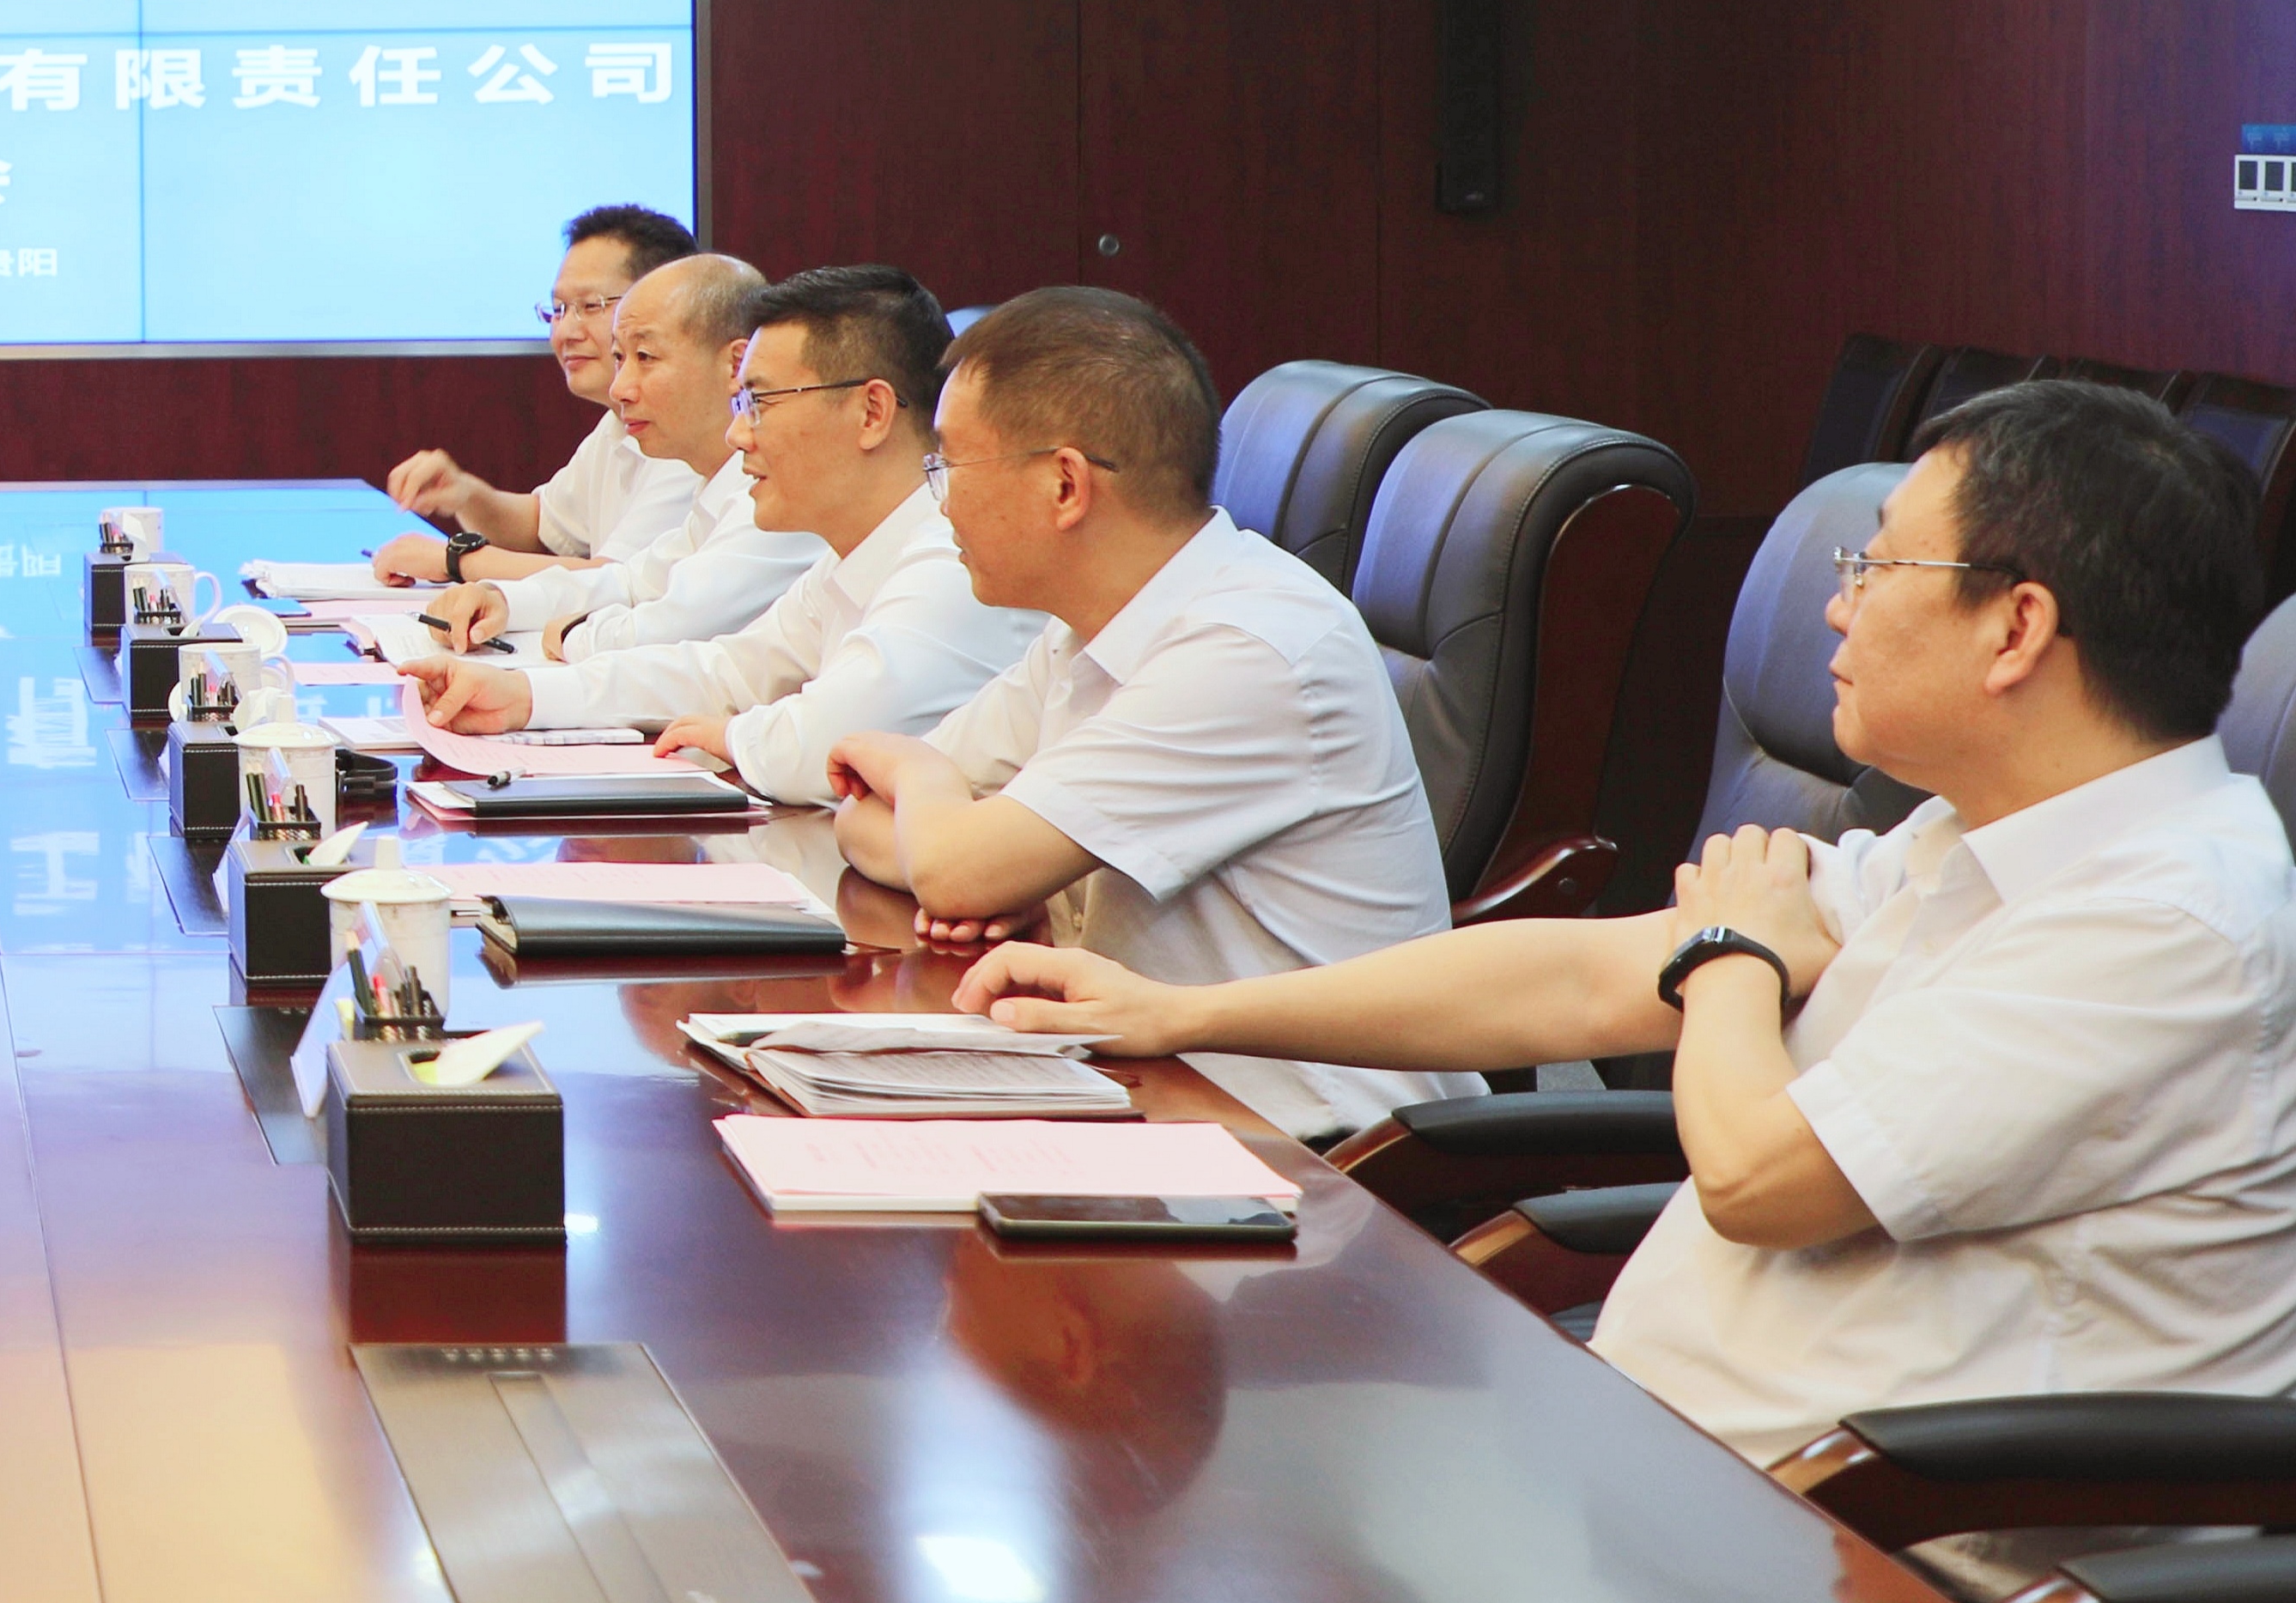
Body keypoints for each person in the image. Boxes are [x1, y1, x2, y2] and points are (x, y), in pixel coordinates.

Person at [963, 380, 2296, 1463]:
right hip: (1662, 1456)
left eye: (1879, 563)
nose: (1839, 601)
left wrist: (1732, 954)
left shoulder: (2165, 916)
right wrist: (1184, 1012)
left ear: (2015, 628)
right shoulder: (1974, 831)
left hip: (1887, 1571)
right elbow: (1585, 977)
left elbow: (1761, 1177)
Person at [823, 287, 1466, 1136]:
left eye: (948, 465)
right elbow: (863, 821)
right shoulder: (1089, 623)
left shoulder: (1245, 647)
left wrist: (922, 780)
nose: (937, 502)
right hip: (1144, 1082)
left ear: (1064, 484)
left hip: (1316, 1143)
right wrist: (961, 842)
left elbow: (948, 865)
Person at [401, 266, 1041, 805]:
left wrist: (734, 735)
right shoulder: (857, 550)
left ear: (871, 411)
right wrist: (523, 694)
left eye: (760, 403)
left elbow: (818, 748)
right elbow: (726, 670)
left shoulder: (954, 559)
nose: (738, 434)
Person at [416, 252, 819, 662]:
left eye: (645, 357)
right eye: (620, 359)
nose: (619, 389)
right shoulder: (714, 479)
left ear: (736, 365)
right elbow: (628, 583)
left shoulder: (785, 490)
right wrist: (503, 600)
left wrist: (569, 634)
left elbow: (671, 629)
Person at [374, 203, 699, 583]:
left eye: (590, 306)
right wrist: (465, 494)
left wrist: (457, 560)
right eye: (559, 309)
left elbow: (617, 581)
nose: (565, 332)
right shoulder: (618, 422)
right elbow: (541, 527)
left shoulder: (689, 438)